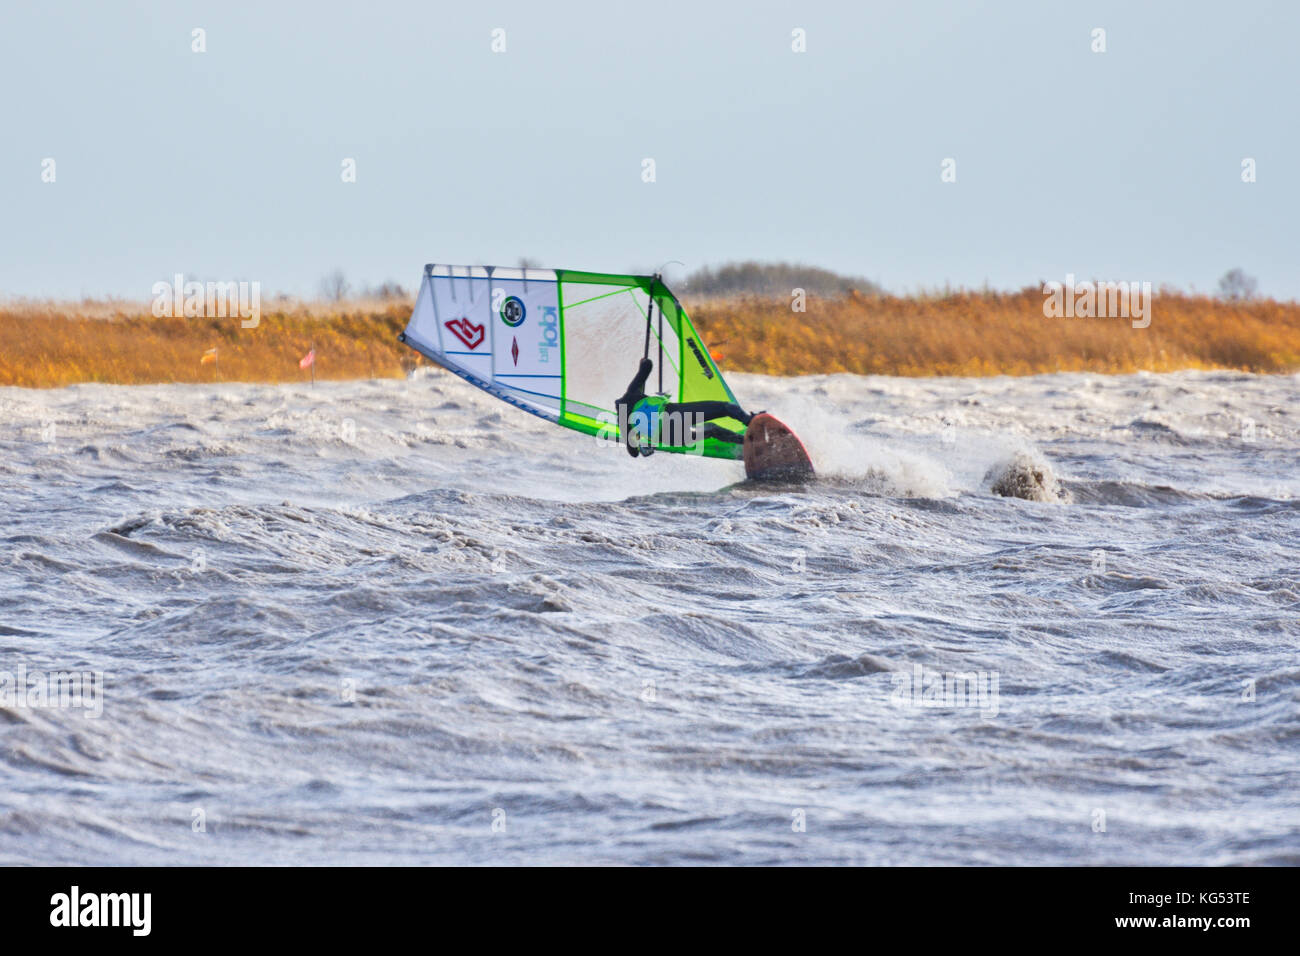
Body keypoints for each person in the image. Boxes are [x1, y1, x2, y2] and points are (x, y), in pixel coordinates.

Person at [615, 357, 756, 457]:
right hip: (675, 416)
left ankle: (746, 443)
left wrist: (640, 444)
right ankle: (750, 421)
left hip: (672, 437)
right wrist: (643, 362)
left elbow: (633, 453)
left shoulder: (623, 420)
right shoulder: (631, 393)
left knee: (712, 429)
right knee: (724, 407)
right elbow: (647, 366)